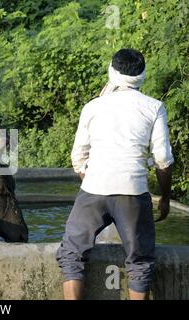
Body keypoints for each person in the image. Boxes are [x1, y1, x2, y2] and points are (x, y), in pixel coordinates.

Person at [56, 48, 174, 300]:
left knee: (71, 253)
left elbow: (78, 157)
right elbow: (163, 160)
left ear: (112, 71)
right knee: (140, 260)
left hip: (94, 189)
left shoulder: (93, 106)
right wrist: (165, 197)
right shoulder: (154, 107)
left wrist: (95, 181)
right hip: (133, 192)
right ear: (142, 75)